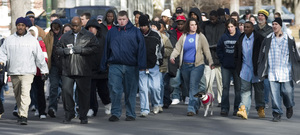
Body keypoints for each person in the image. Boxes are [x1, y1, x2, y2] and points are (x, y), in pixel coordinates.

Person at [0, 17, 49, 125]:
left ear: (26, 26)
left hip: (28, 72)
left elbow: (39, 57)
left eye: (22, 25)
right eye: (18, 25)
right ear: (16, 26)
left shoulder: (32, 40)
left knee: (25, 94)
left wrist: (44, 70)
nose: (20, 27)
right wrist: (1, 62)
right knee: (18, 95)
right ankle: (21, 110)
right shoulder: (9, 40)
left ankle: (23, 115)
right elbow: (2, 53)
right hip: (14, 71)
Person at [101, 11, 146, 122]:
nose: (121, 22)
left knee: (130, 91)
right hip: (115, 65)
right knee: (114, 89)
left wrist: (142, 65)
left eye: (123, 19)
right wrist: (103, 64)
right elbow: (106, 48)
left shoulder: (136, 32)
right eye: (119, 19)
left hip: (131, 65)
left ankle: (130, 113)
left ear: (128, 19)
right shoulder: (112, 32)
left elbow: (142, 49)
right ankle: (115, 113)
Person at [56, 16, 99, 124]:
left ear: (81, 25)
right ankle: (69, 113)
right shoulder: (65, 36)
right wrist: (64, 51)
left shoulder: (89, 36)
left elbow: (96, 48)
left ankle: (83, 116)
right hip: (68, 68)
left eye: (76, 25)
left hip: (83, 69)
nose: (74, 27)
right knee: (66, 91)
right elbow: (57, 49)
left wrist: (83, 50)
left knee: (84, 94)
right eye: (72, 25)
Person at [257, 18, 299, 122]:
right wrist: (261, 67)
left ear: (280, 26)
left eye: (276, 24)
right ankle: (276, 113)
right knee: (275, 95)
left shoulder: (289, 38)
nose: (274, 26)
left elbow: (295, 56)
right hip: (272, 72)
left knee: (287, 92)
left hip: (286, 72)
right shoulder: (268, 39)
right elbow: (262, 55)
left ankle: (289, 106)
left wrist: (296, 70)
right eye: (273, 24)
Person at [170, 18, 213, 116]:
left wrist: (210, 62)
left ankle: (191, 108)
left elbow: (206, 51)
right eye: (191, 25)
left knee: (193, 86)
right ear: (188, 26)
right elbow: (177, 48)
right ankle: (196, 104)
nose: (193, 27)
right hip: (185, 66)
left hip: (197, 66)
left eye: (195, 25)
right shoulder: (184, 37)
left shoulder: (200, 37)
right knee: (190, 88)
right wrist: (173, 56)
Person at [235, 21, 265, 120]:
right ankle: (244, 110)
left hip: (256, 69)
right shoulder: (240, 38)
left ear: (253, 28)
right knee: (245, 91)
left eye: (248, 27)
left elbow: (264, 53)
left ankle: (260, 107)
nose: (246, 28)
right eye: (245, 27)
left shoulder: (259, 38)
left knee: (259, 91)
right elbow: (237, 53)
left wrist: (263, 67)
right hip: (245, 69)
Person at [85, 19, 111, 117]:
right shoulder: (85, 39)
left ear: (97, 29)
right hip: (90, 69)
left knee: (103, 90)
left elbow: (107, 52)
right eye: (89, 28)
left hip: (101, 69)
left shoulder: (103, 39)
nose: (91, 29)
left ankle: (108, 104)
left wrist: (106, 65)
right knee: (91, 91)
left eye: (93, 27)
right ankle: (92, 108)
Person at [138, 15, 163, 117]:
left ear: (148, 25)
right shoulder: (137, 34)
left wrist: (160, 60)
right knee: (143, 89)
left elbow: (161, 48)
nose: (143, 28)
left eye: (144, 26)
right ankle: (144, 109)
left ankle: (156, 104)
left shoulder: (155, 35)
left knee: (156, 88)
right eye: (141, 26)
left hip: (154, 65)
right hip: (141, 65)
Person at [216, 18, 241, 116]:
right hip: (226, 66)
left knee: (238, 88)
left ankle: (237, 108)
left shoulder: (239, 36)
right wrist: (222, 60)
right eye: (228, 27)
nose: (230, 29)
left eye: (232, 26)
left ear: (235, 26)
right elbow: (219, 49)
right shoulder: (223, 37)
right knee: (225, 87)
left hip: (236, 66)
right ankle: (224, 108)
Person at [201, 10, 225, 107]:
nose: (212, 20)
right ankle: (210, 98)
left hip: (219, 57)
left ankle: (221, 99)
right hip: (208, 57)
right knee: (207, 81)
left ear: (217, 17)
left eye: (213, 19)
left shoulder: (222, 26)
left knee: (220, 82)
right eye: (210, 19)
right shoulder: (205, 25)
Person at [44, 19, 63, 118]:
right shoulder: (49, 36)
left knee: (67, 89)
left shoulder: (64, 35)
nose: (55, 30)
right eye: (53, 28)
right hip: (54, 65)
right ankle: (52, 108)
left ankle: (70, 109)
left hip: (64, 66)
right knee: (53, 87)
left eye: (57, 28)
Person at [28, 26, 48, 119]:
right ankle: (32, 108)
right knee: (28, 92)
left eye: (33, 34)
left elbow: (44, 58)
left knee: (39, 92)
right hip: (28, 71)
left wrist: (44, 70)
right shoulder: (25, 43)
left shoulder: (40, 43)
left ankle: (42, 111)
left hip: (39, 72)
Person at [254, 9, 273, 110]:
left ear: (265, 18)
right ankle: (259, 102)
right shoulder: (254, 28)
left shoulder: (270, 30)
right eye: (259, 15)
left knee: (265, 83)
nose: (260, 17)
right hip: (255, 58)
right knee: (257, 82)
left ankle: (265, 101)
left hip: (266, 59)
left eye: (262, 16)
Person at [168, 16, 187, 105]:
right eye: (178, 24)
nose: (180, 26)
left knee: (186, 79)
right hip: (175, 58)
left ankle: (186, 96)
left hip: (186, 59)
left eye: (181, 24)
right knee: (175, 78)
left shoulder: (189, 33)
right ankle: (175, 96)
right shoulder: (172, 33)